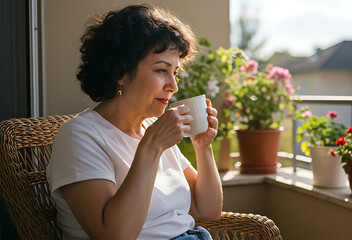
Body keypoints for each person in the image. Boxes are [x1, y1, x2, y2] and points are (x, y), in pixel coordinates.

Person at [46, 4, 222, 240]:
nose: (174, 86)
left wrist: (203, 146)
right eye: (161, 70)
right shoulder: (80, 136)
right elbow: (114, 235)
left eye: (175, 72)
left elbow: (208, 210)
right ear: (120, 72)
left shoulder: (152, 128)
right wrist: (151, 147)